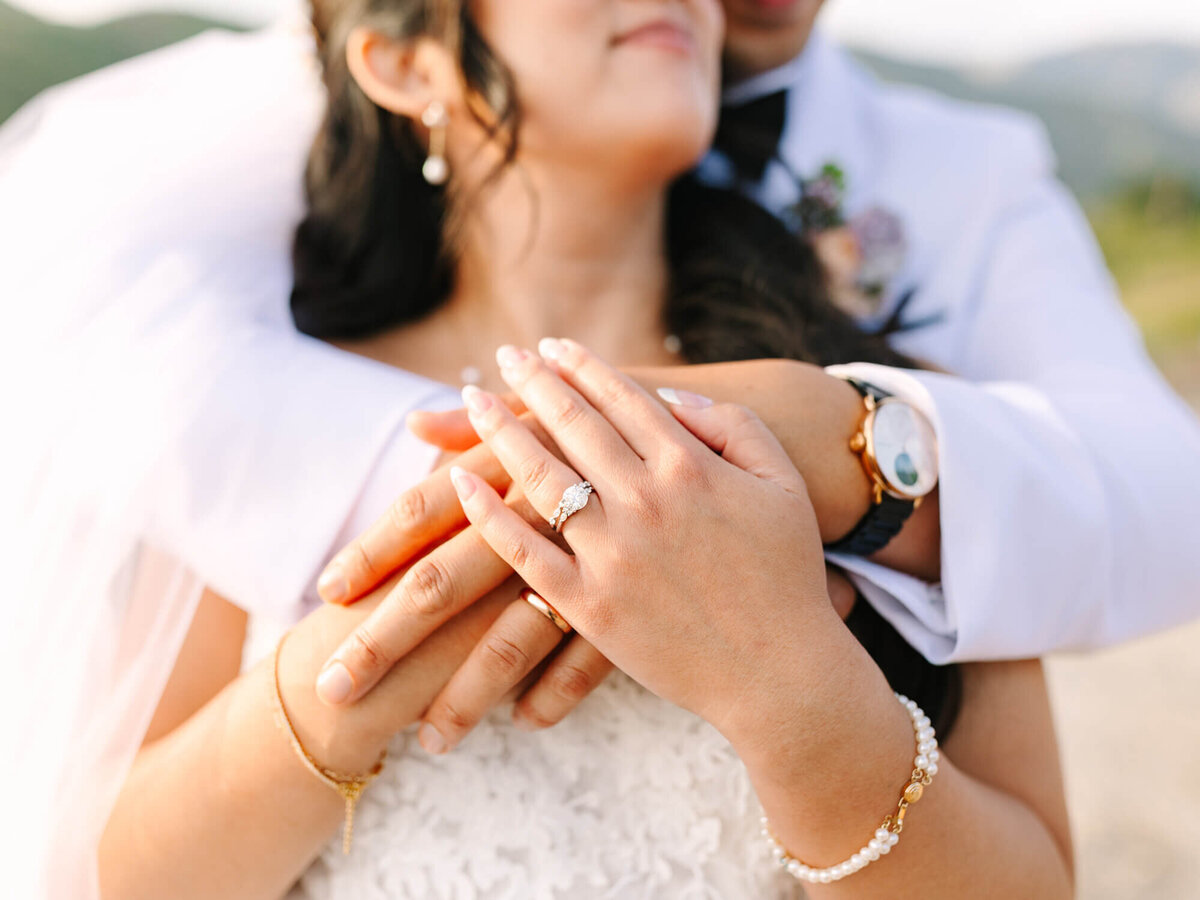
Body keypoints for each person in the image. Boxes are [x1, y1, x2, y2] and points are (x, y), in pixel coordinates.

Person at [5, 0, 1074, 897]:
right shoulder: (262, 400)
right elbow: (115, 874)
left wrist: (790, 690)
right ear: (403, 56)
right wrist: (353, 666)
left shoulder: (874, 418)